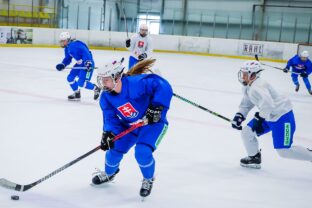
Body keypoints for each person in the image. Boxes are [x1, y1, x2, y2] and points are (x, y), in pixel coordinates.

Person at [92, 58, 173, 198]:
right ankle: (109, 174)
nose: (102, 83)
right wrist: (108, 132)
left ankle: (148, 179)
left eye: (106, 79)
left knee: (142, 152)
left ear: (116, 77)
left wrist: (157, 107)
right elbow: (110, 118)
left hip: (152, 124)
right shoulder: (106, 97)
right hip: (129, 126)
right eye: (101, 79)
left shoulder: (136, 83)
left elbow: (162, 85)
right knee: (113, 151)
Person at [231, 60, 312, 169]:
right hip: (268, 115)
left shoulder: (258, 86)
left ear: (253, 75)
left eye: (245, 74)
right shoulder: (248, 86)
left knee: (284, 151)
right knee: (247, 132)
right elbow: (247, 102)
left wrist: (259, 121)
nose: (243, 76)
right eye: (242, 73)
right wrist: (240, 115)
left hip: (282, 117)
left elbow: (268, 104)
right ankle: (254, 157)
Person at [55, 32, 101, 101]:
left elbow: (86, 52)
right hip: (79, 64)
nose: (62, 43)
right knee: (70, 78)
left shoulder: (76, 44)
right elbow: (68, 58)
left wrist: (88, 62)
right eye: (61, 41)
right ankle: (77, 93)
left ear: (68, 40)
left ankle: (96, 89)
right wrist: (63, 64)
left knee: (81, 83)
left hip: (88, 64)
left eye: (63, 41)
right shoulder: (67, 48)